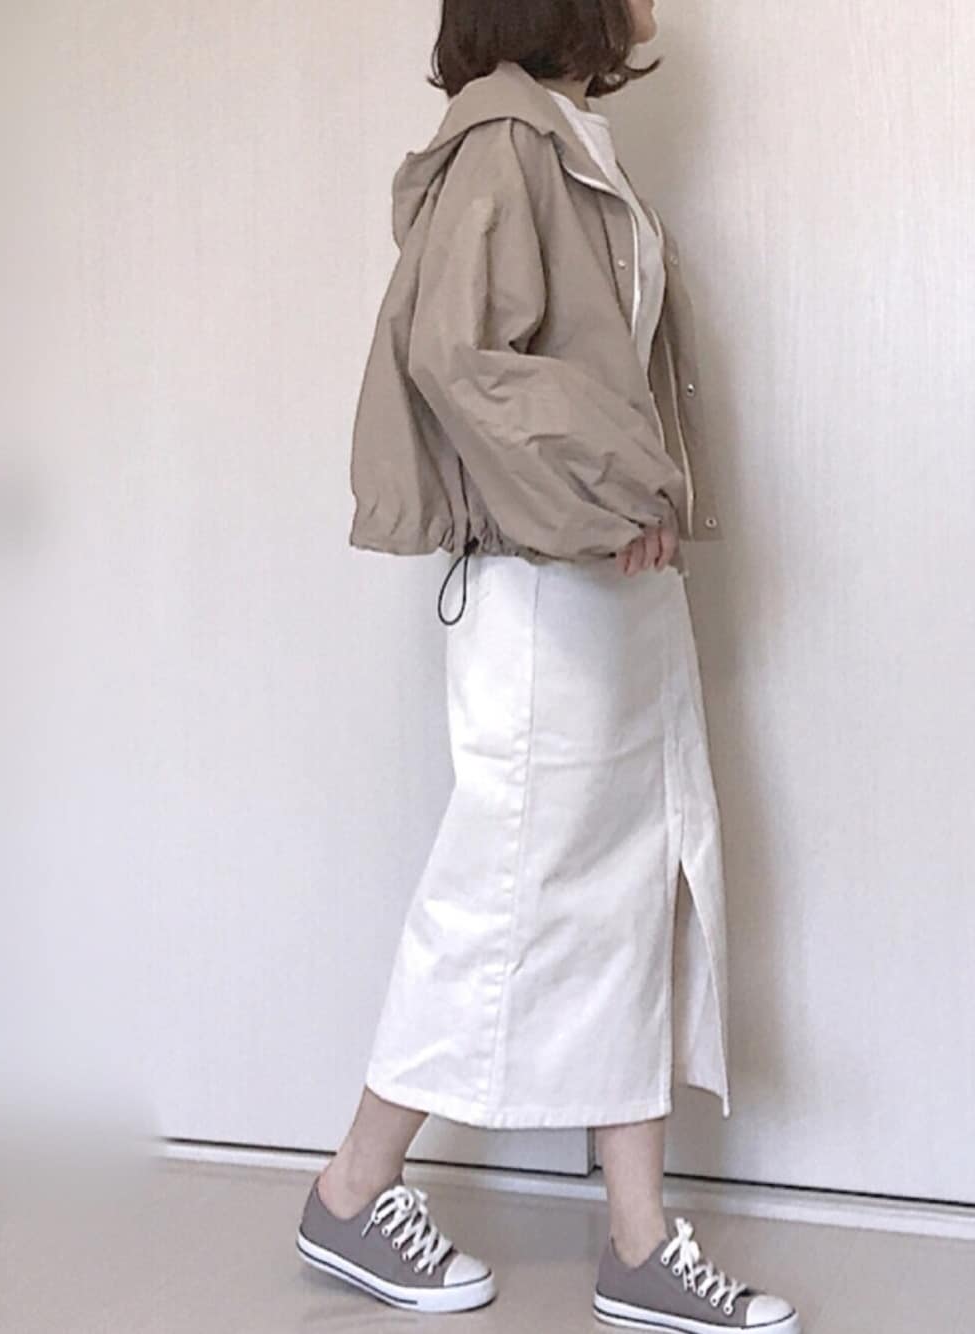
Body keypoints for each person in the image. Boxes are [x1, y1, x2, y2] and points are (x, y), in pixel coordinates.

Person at [297, 3, 800, 1330]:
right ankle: (350, 1190)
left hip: (616, 586)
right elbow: (457, 356)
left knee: (631, 889)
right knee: (500, 887)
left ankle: (637, 1239)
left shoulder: (573, 138)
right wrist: (616, 486)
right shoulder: (502, 141)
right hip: (545, 587)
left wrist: (639, 503)